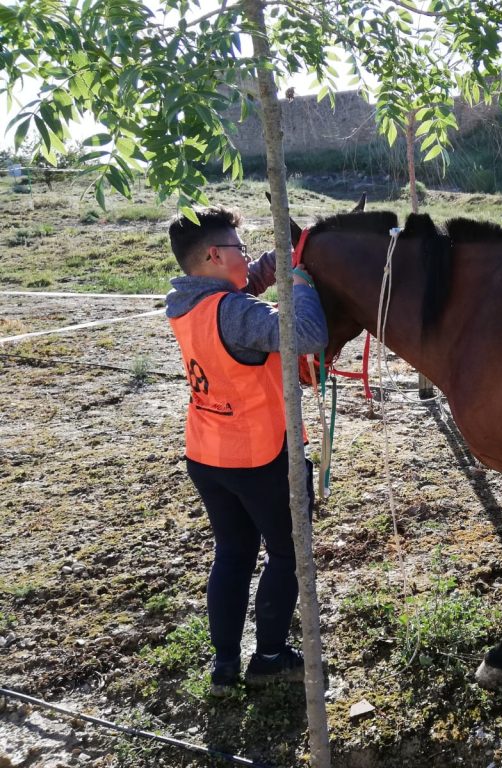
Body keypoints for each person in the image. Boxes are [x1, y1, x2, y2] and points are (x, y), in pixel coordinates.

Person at [165, 205, 328, 695]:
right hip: (260, 456)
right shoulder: (236, 313)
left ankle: (224, 666)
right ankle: (270, 658)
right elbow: (306, 335)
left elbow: (232, 302)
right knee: (287, 553)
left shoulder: (184, 300)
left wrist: (263, 266)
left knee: (233, 553)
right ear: (214, 255)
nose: (244, 253)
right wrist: (300, 287)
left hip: (207, 454)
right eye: (237, 246)